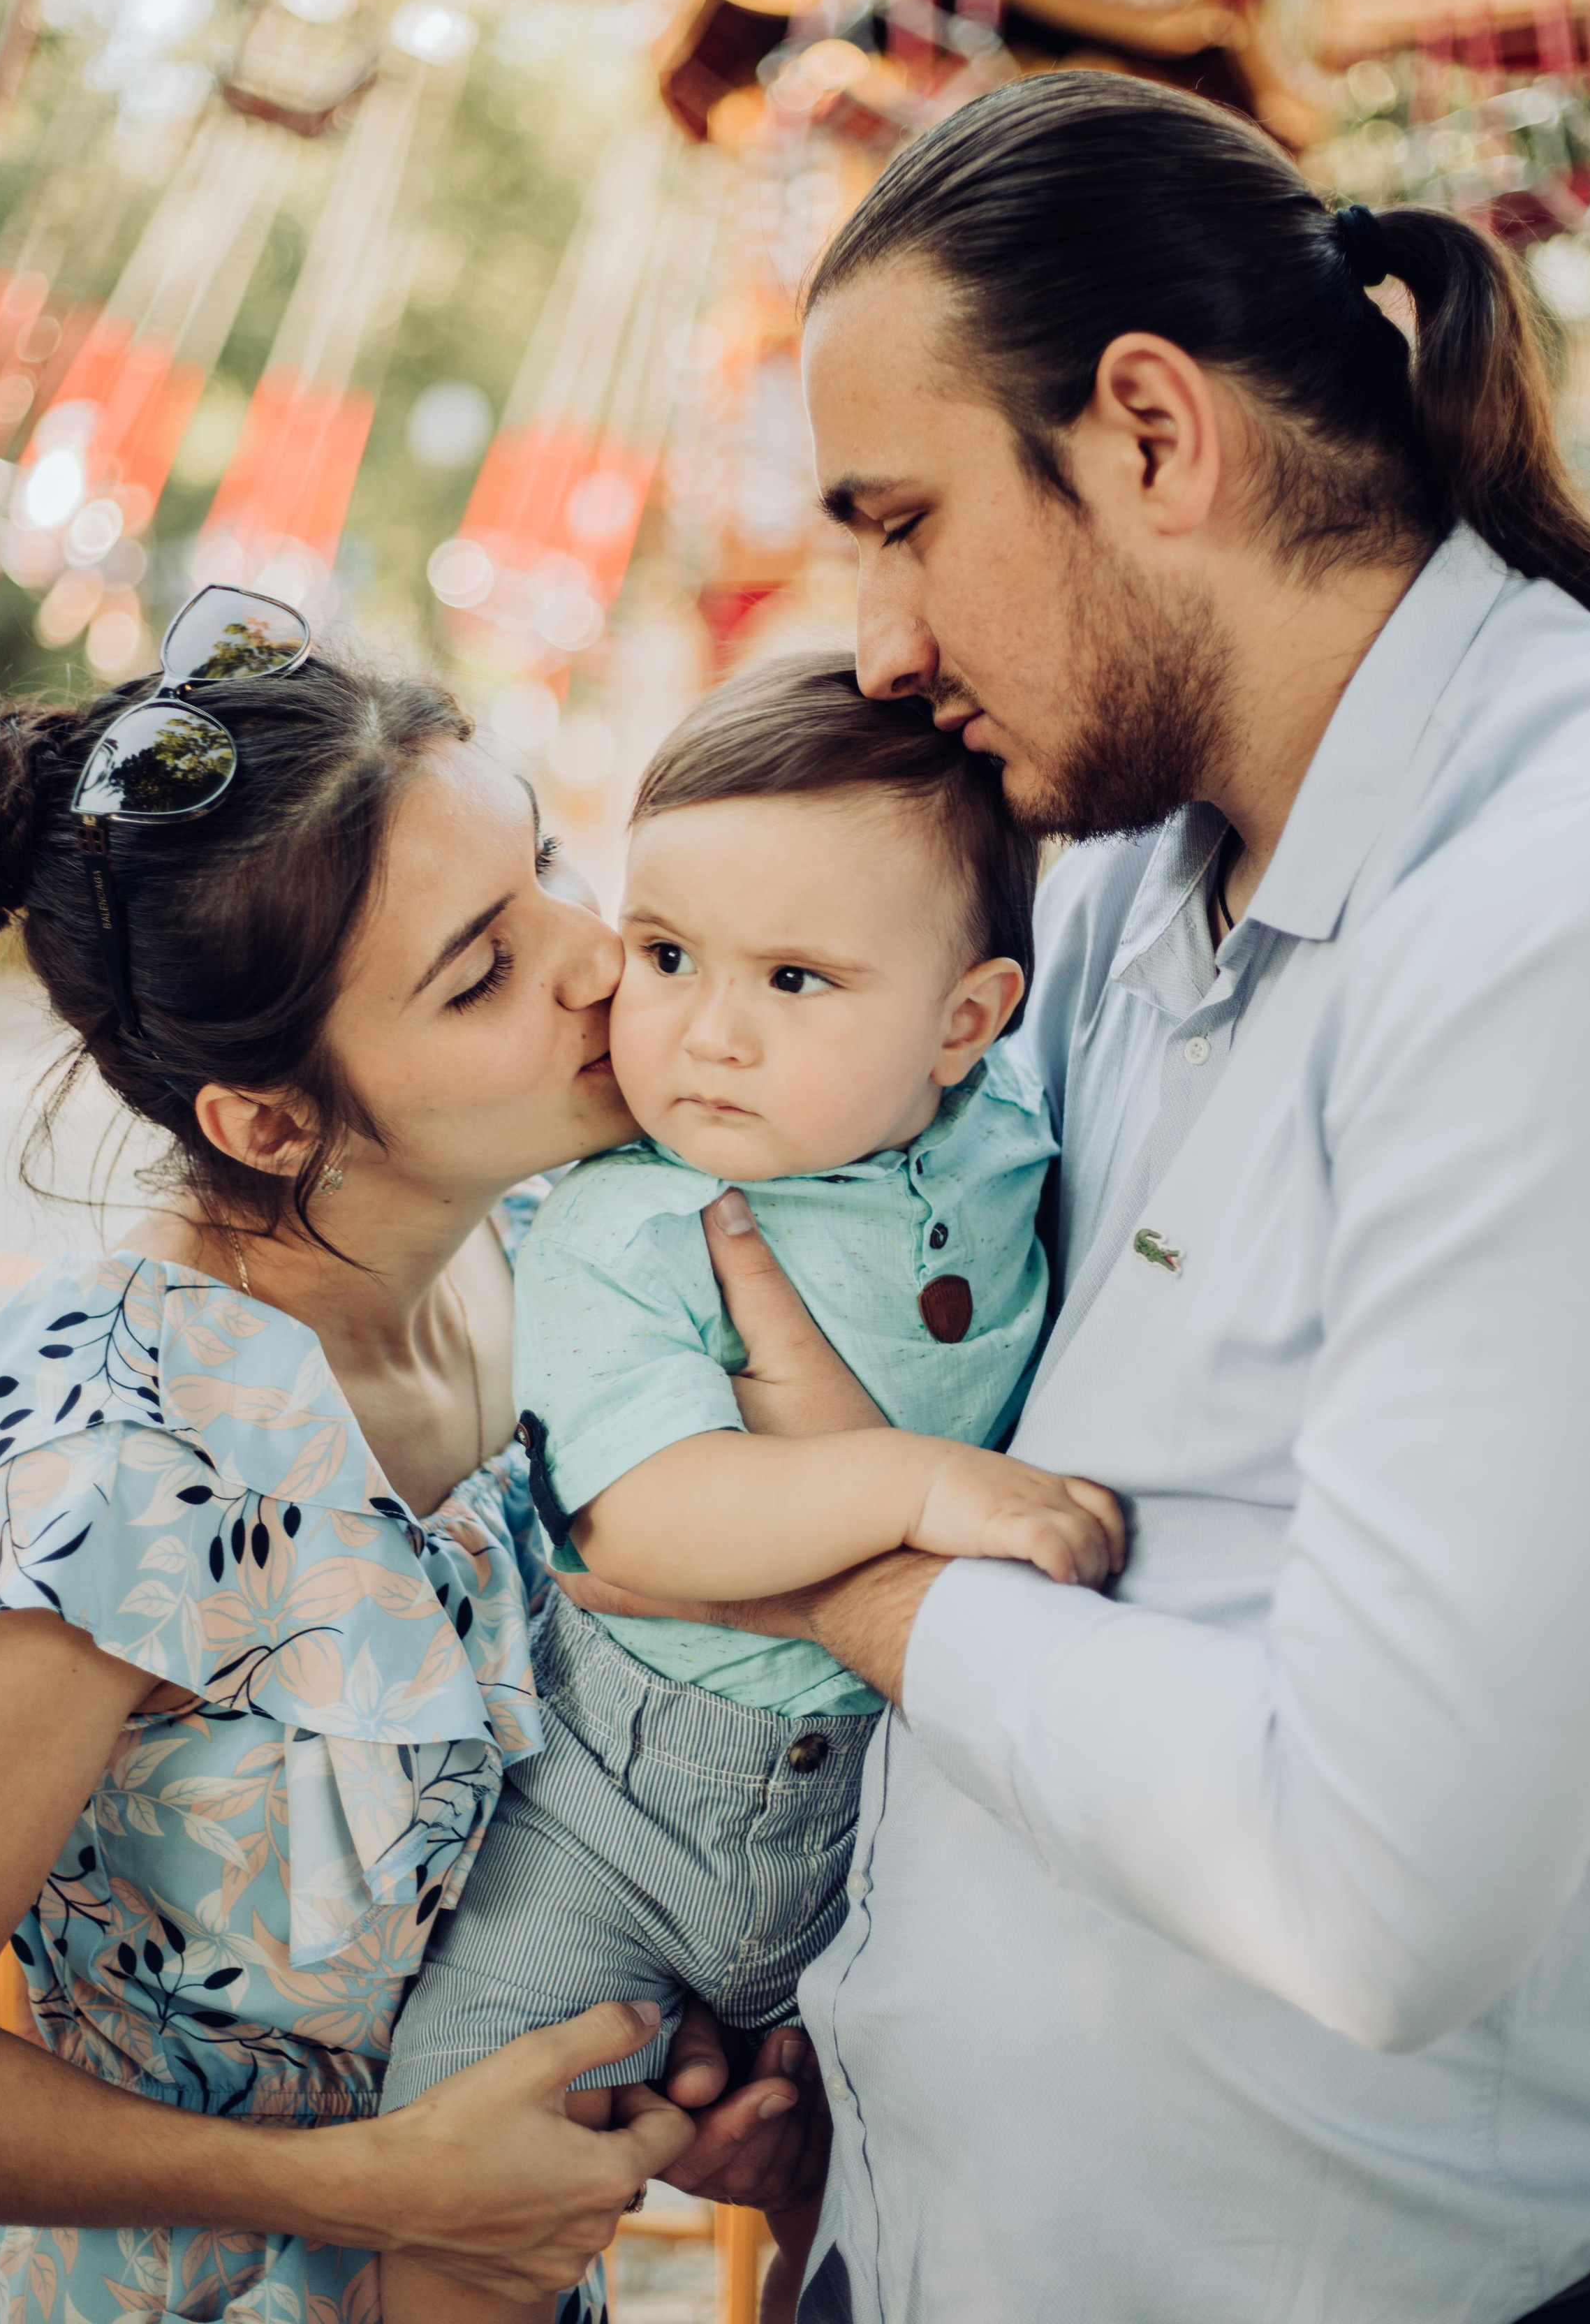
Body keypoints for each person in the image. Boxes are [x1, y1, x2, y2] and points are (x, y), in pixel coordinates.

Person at [587, 70, 1590, 2321]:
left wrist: (836, 1569)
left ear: (1154, 436)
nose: (880, 642)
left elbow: (1381, 1892)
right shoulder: (1113, 882)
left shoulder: (1571, 898)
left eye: (902, 524)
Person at [0, 589, 822, 2324]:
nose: (596, 955)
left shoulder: (557, 1257)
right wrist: (359, 2187)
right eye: (481, 971)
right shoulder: (119, 1453)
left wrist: (668, 2062)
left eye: (546, 864)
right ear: (271, 1119)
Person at [378, 652, 1123, 2324]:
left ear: (964, 1022)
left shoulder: (1005, 1133)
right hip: (614, 1808)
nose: (705, 1033)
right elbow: (641, 1520)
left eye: (794, 978)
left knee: (868, 2198)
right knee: (473, 2140)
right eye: (664, 956)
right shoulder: (626, 1218)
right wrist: (918, 1483)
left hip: (892, 1819)